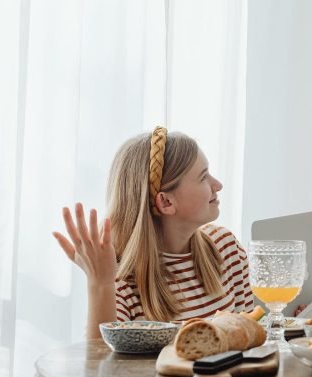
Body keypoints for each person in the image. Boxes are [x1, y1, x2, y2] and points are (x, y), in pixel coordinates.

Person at [52, 126, 253, 338]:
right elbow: (99, 368)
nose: (218, 185)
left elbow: (252, 339)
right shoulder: (121, 285)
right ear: (166, 202)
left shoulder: (226, 248)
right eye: (203, 177)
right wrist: (100, 283)